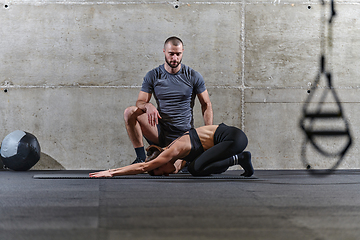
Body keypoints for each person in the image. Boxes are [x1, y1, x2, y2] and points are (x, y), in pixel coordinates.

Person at [123, 36, 213, 164]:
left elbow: (206, 104)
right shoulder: (153, 75)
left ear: (182, 52)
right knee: (129, 112)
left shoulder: (193, 76)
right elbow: (140, 102)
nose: (175, 58)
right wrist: (148, 105)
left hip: (184, 135)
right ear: (164, 51)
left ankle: (179, 156)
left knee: (179, 168)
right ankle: (141, 158)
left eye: (178, 54)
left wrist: (208, 134)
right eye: (171, 54)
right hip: (160, 132)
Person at [89, 123, 253, 178]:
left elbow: (143, 167)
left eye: (161, 172)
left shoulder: (171, 151)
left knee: (195, 168)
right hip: (230, 141)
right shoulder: (177, 158)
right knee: (198, 166)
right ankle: (241, 159)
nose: (166, 174)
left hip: (234, 138)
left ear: (161, 162)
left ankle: (241, 158)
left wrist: (111, 172)